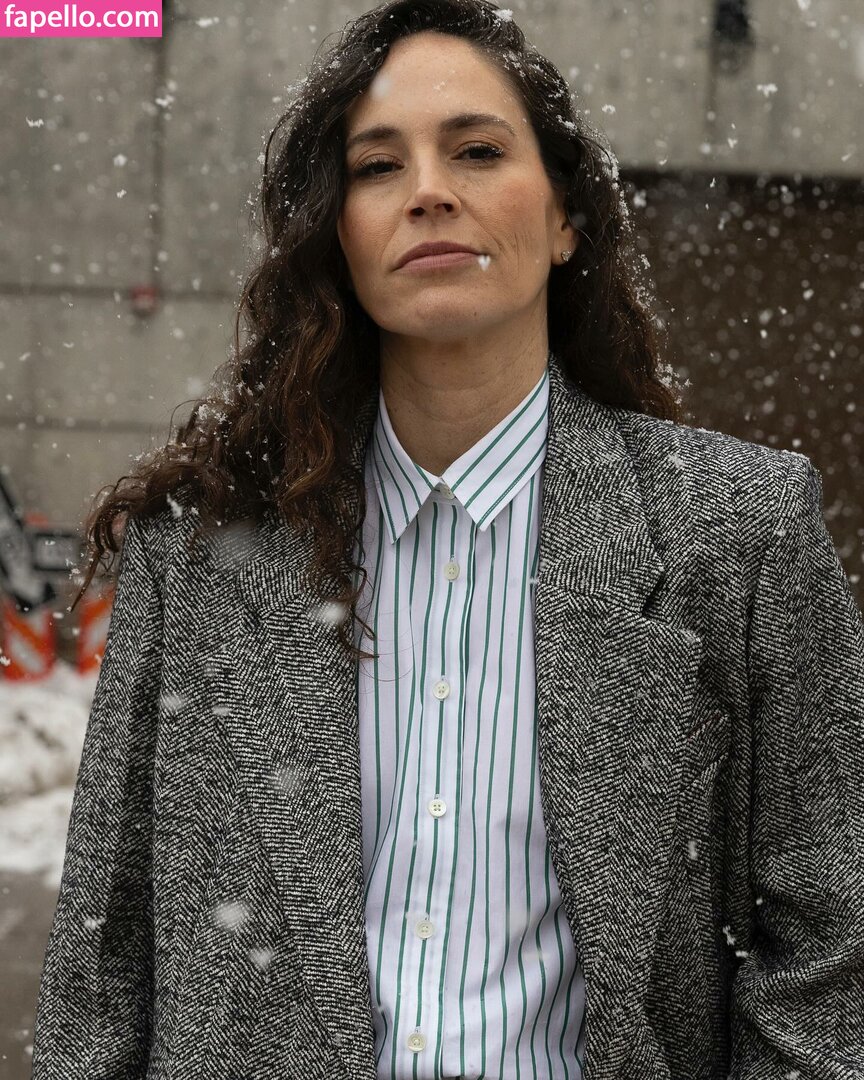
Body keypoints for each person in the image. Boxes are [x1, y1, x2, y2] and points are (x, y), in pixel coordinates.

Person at [31, 0, 864, 1077]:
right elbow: (103, 958)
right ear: (338, 235)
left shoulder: (738, 530)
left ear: (564, 219)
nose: (428, 189)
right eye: (378, 167)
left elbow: (832, 940)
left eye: (476, 150)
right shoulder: (197, 548)